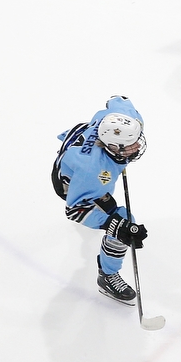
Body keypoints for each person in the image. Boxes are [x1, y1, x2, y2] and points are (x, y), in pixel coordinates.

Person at [51, 96, 150, 305]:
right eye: (131, 146)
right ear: (113, 147)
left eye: (137, 139)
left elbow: (118, 99)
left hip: (82, 157)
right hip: (73, 184)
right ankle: (107, 275)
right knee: (123, 221)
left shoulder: (125, 118)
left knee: (116, 216)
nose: (138, 146)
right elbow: (74, 210)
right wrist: (113, 225)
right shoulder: (92, 172)